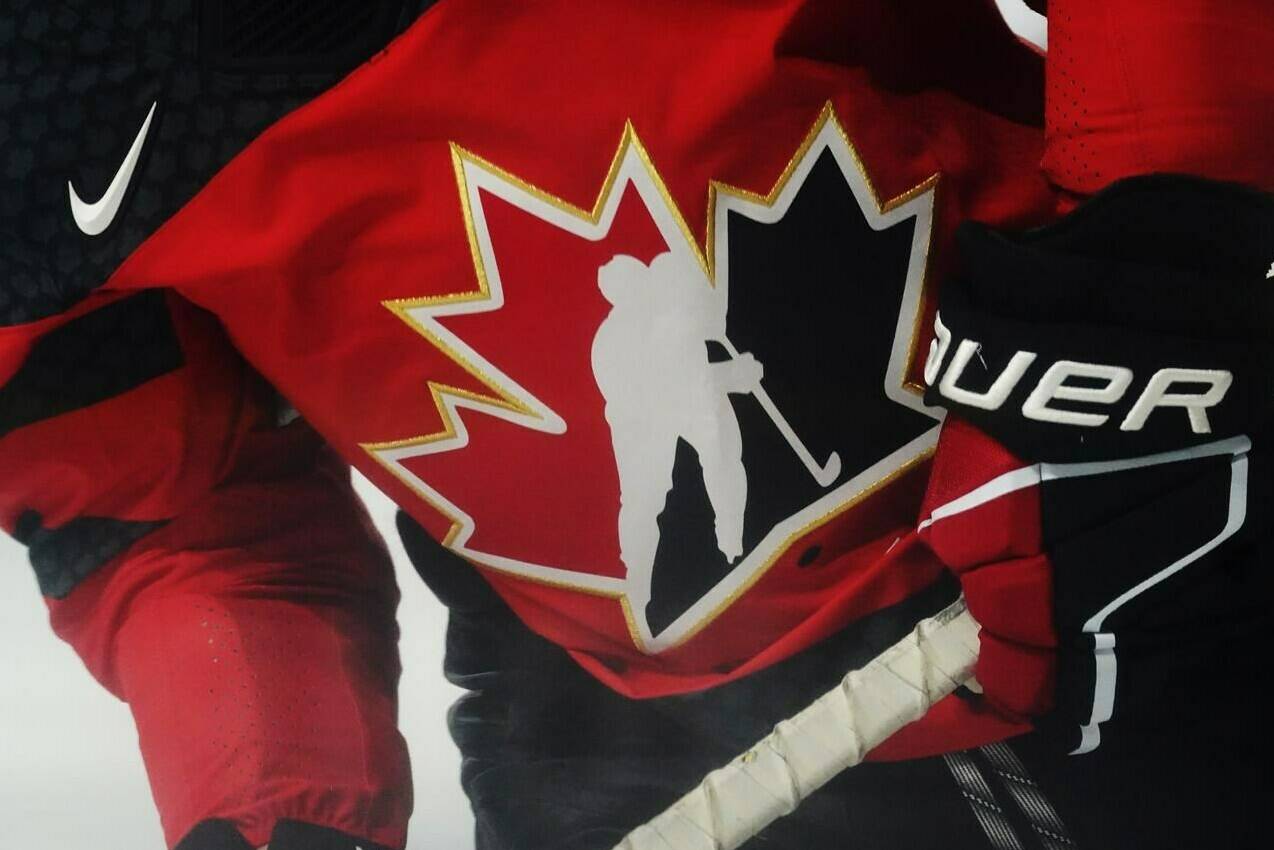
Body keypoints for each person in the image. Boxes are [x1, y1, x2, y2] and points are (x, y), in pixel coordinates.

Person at [1, 1, 1270, 848]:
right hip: (625, 711)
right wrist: (271, 806)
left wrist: (1164, 253)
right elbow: (165, 510)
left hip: (1177, 491)